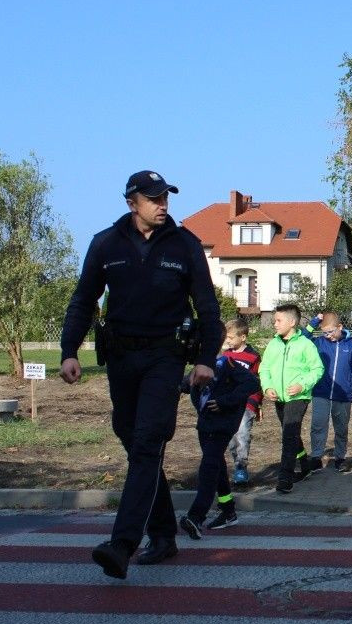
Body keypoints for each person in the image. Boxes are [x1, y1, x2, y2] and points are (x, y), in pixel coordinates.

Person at [59, 169, 223, 580]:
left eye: (166, 196)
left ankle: (123, 543)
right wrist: (68, 351)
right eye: (153, 198)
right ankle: (165, 534)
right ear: (132, 202)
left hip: (165, 358)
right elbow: (83, 300)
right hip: (121, 358)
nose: (163, 204)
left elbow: (208, 308)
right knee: (135, 444)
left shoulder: (184, 245)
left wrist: (205, 358)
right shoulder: (106, 244)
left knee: (149, 441)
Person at [179, 350, 261, 537]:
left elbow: (252, 383)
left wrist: (226, 402)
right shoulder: (200, 367)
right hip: (205, 424)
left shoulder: (227, 364)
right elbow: (186, 384)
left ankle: (196, 516)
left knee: (208, 466)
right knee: (216, 465)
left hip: (222, 424)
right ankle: (228, 510)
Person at [260, 303, 324, 493]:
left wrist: (302, 385)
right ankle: (305, 465)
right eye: (274, 321)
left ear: (292, 322)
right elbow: (264, 368)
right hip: (279, 397)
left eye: (279, 321)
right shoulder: (273, 344)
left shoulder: (305, 344)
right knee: (291, 433)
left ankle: (285, 478)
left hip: (299, 397)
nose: (275, 324)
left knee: (288, 436)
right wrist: (268, 387)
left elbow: (317, 369)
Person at [305, 310, 352, 472]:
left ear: (340, 327)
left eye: (330, 332)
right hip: (321, 392)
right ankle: (316, 457)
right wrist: (314, 322)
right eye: (324, 333)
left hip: (343, 394)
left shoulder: (351, 346)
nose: (328, 336)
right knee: (318, 425)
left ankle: (340, 457)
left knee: (341, 427)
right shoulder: (320, 343)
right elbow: (303, 338)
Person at [222, 319, 262, 487]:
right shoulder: (225, 356)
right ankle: (236, 461)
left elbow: (257, 382)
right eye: (226, 337)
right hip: (228, 403)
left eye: (231, 337)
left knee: (243, 434)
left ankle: (241, 467)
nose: (228, 341)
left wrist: (256, 403)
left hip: (246, 403)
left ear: (243, 337)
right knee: (231, 438)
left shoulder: (252, 357)